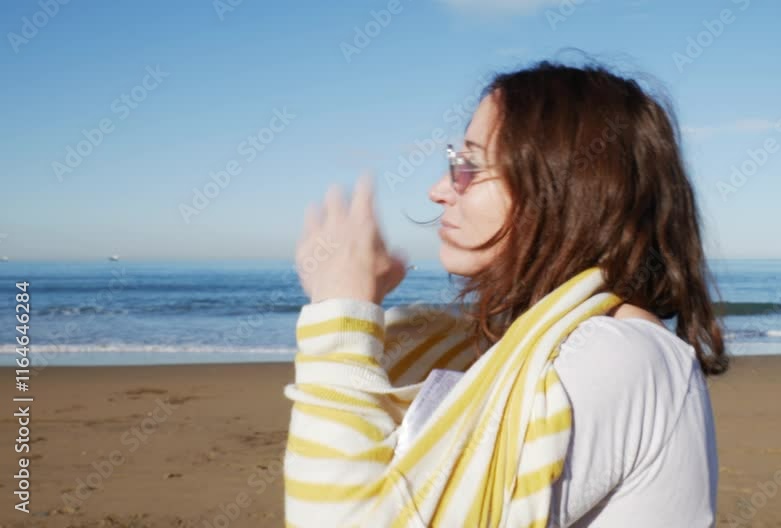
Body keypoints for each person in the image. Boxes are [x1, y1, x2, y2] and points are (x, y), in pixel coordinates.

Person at [285, 61, 728, 527]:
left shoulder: (620, 356)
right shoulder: (558, 346)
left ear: (567, 189)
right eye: (455, 162)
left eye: (471, 166)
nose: (439, 190)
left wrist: (340, 313)